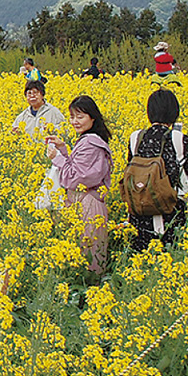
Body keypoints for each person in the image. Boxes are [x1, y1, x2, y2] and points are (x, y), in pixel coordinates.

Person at [46, 96, 114, 276]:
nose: (75, 121)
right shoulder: (89, 140)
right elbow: (78, 169)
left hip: (88, 207)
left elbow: (74, 178)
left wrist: (56, 158)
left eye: (80, 117)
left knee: (88, 261)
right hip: (82, 204)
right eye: (72, 117)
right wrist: (63, 150)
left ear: (93, 118)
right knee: (81, 257)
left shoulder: (91, 144)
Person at [127, 89, 188, 251]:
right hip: (171, 214)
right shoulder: (179, 140)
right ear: (174, 113)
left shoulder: (135, 138)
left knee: (140, 264)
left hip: (139, 213)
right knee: (170, 261)